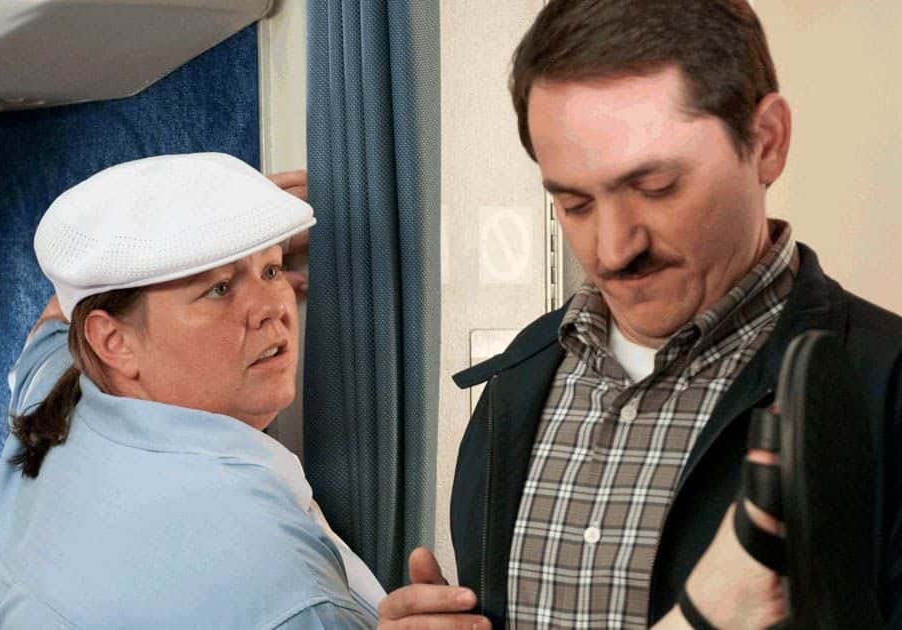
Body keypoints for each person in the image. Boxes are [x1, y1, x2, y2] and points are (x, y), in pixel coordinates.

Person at [377, 1, 902, 627]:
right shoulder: (516, 383)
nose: (612, 250)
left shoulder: (887, 390)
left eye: (655, 188)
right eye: (575, 204)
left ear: (766, 142)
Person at [0, 153, 384, 628]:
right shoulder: (283, 585)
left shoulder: (54, 394)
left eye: (271, 271)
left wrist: (220, 223)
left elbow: (53, 321)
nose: (273, 307)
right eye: (219, 289)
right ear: (114, 341)